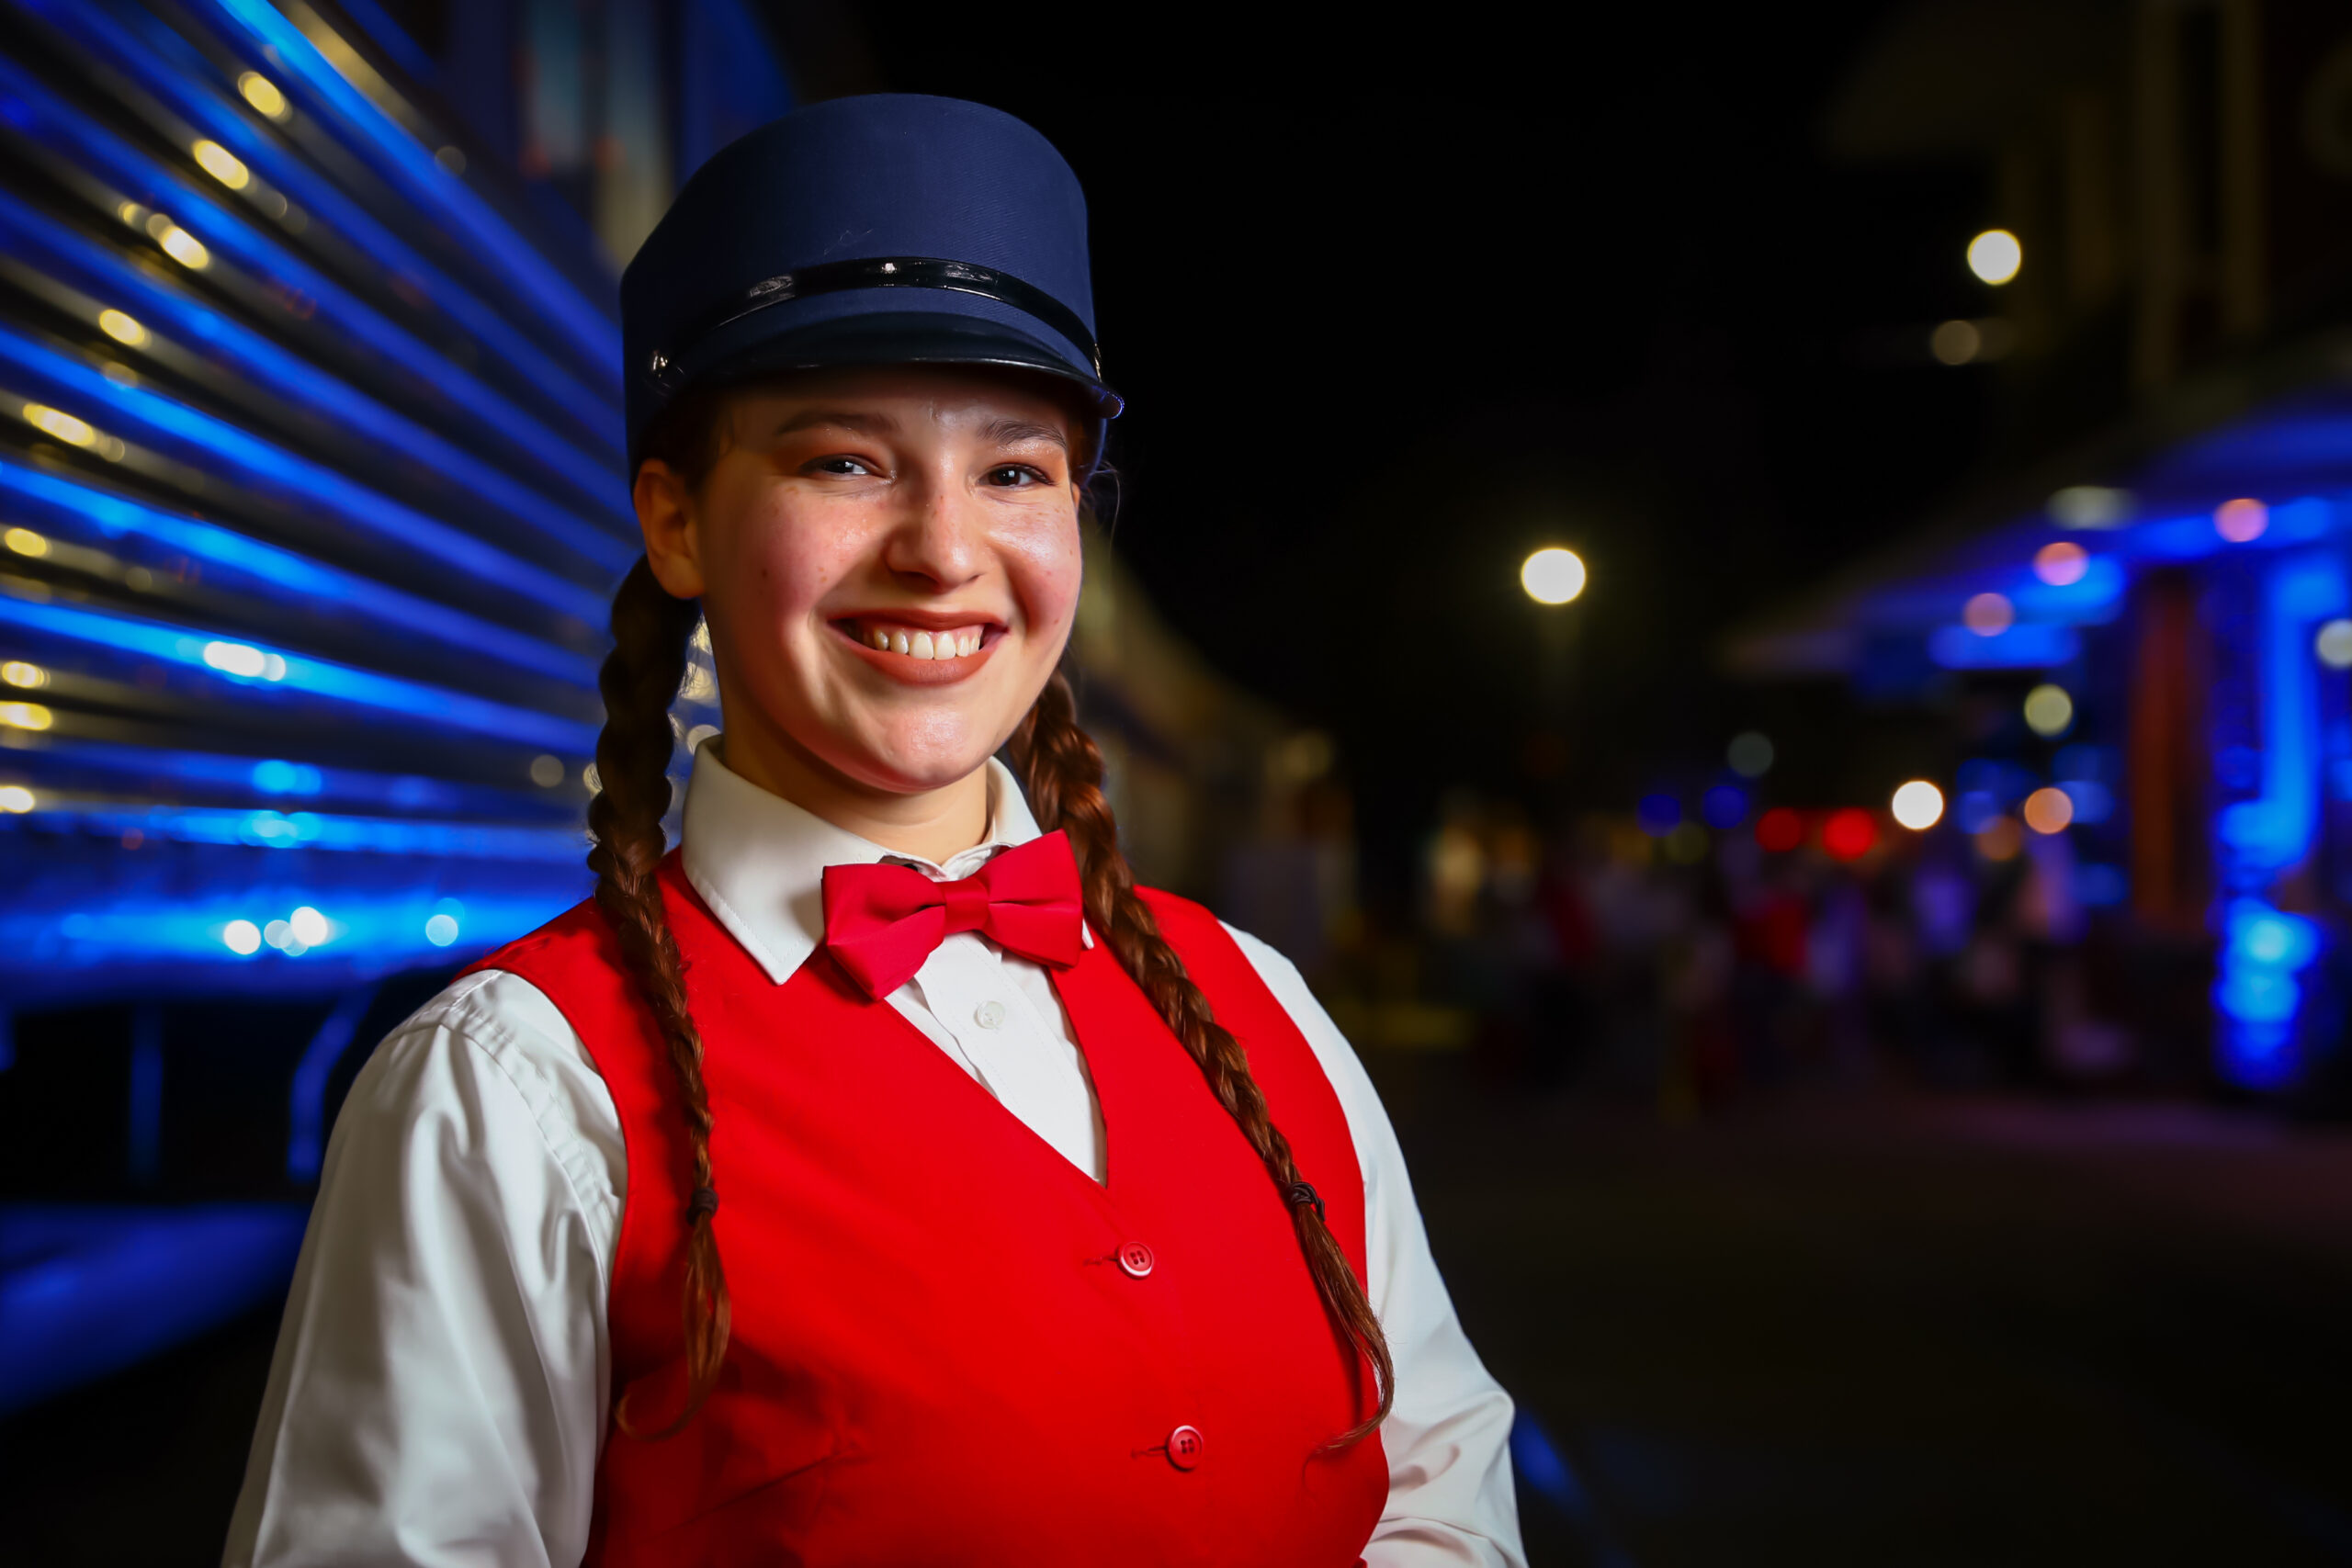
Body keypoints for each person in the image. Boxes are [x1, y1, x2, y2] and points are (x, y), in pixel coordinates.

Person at [225, 95, 1522, 1567]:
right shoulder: (508, 1093)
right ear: (677, 523)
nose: (946, 550)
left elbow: (1442, 1484)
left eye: (1016, 470)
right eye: (843, 460)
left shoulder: (1261, 1005)